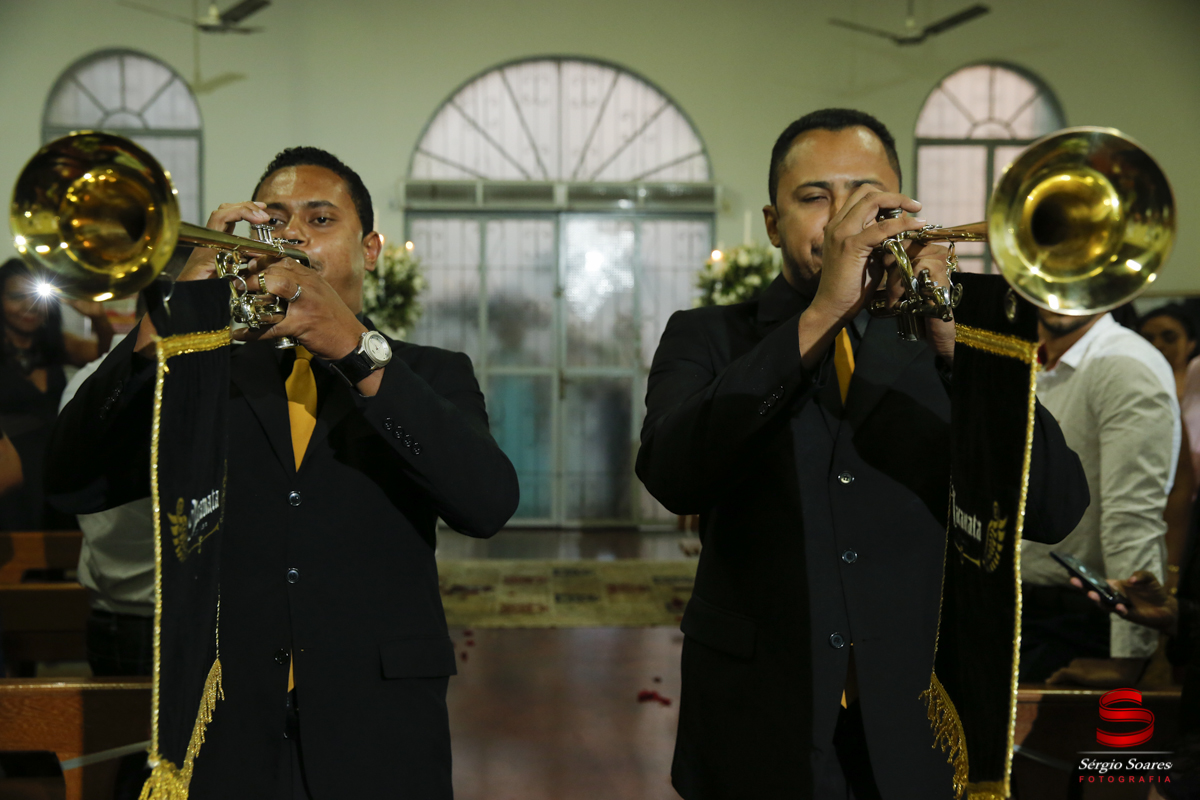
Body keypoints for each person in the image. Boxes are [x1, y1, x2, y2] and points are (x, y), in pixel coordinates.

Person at [636, 108, 1089, 800]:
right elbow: (675, 477)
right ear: (771, 222)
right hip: (759, 717)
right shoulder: (708, 336)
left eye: (866, 197)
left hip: (920, 719)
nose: (846, 220)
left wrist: (956, 350)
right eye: (815, 197)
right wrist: (821, 315)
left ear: (905, 210)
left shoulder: (955, 336)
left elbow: (1055, 507)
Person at [47, 147, 520, 798]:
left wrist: (356, 349)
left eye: (320, 219)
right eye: (273, 221)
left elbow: (487, 503)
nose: (293, 234)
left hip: (378, 727)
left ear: (372, 249)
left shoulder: (429, 374)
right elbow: (73, 479)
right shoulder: (205, 371)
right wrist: (171, 315)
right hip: (226, 726)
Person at [1021, 308, 1177, 688]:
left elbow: (1133, 517)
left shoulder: (1125, 363)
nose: (1060, 294)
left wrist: (1128, 661)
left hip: (1079, 621)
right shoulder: (1026, 356)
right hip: (1014, 606)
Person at [0, 257, 112, 529]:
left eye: (36, 297)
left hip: (58, 464)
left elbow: (104, 358)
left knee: (63, 551)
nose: (29, 306)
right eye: (17, 297)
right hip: (13, 470)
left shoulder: (54, 343)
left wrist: (98, 318)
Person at [1140, 304, 1198, 587]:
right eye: (1148, 338)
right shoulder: (1137, 386)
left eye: (1169, 337)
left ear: (1191, 343)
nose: (1158, 345)